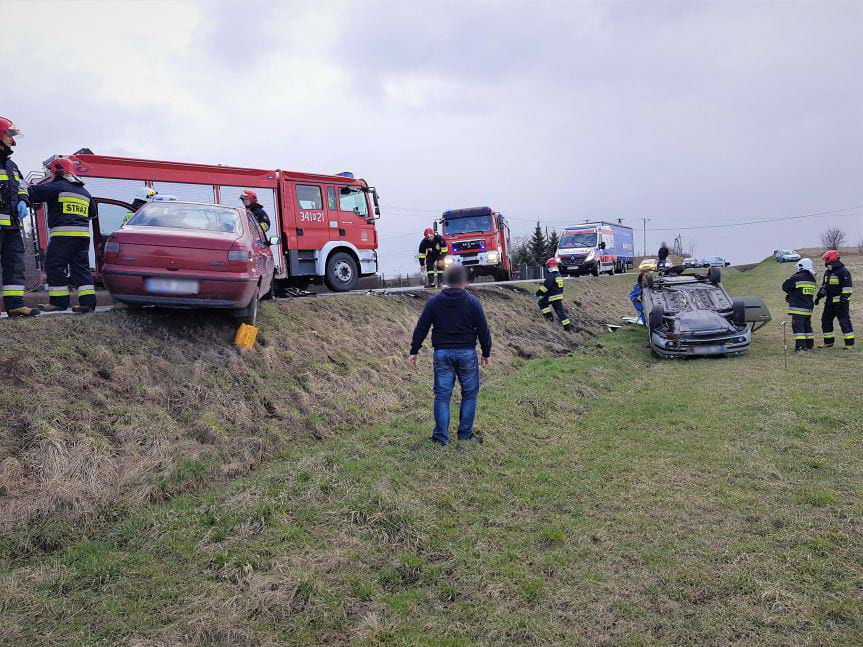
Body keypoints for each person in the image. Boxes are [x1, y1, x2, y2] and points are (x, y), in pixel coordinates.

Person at [409, 264, 491, 446]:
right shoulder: (473, 302)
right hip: (467, 354)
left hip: (442, 354)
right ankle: (465, 434)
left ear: (445, 281)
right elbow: (484, 330)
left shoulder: (434, 302)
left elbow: (421, 328)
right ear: (464, 281)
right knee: (469, 394)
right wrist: (486, 353)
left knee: (442, 396)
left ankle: (440, 438)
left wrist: (414, 351)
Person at [28, 158, 96, 313]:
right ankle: (88, 304)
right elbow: (92, 213)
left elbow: (33, 193)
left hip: (63, 235)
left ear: (57, 172)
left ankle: (59, 302)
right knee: (81, 269)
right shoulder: (85, 192)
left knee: (54, 266)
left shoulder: (57, 186)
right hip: (83, 238)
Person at [0, 116, 40, 316]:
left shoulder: (12, 165)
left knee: (15, 264)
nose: (12, 139)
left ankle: (15, 304)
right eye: (9, 134)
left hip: (12, 225)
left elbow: (22, 186)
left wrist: (23, 200)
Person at [816, 249, 854, 348]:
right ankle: (828, 342)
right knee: (825, 321)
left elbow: (847, 288)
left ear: (831, 259)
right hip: (829, 302)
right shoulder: (828, 272)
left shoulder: (843, 272)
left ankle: (849, 344)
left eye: (826, 260)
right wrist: (819, 296)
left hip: (841, 303)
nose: (825, 262)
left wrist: (843, 300)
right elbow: (824, 286)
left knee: (844, 322)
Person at [782, 258, 817, 352]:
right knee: (807, 326)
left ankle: (801, 347)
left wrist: (790, 293)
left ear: (801, 266)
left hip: (798, 308)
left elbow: (785, 286)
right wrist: (792, 294)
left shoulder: (797, 277)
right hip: (808, 308)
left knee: (798, 327)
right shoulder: (812, 279)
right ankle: (809, 345)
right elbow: (802, 292)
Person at [534, 257, 572, 331]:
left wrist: (537, 294)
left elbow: (545, 287)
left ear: (550, 266)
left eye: (548, 266)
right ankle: (567, 328)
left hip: (552, 296)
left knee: (541, 303)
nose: (547, 268)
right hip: (558, 296)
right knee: (561, 313)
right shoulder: (558, 275)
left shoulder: (551, 276)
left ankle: (549, 317)